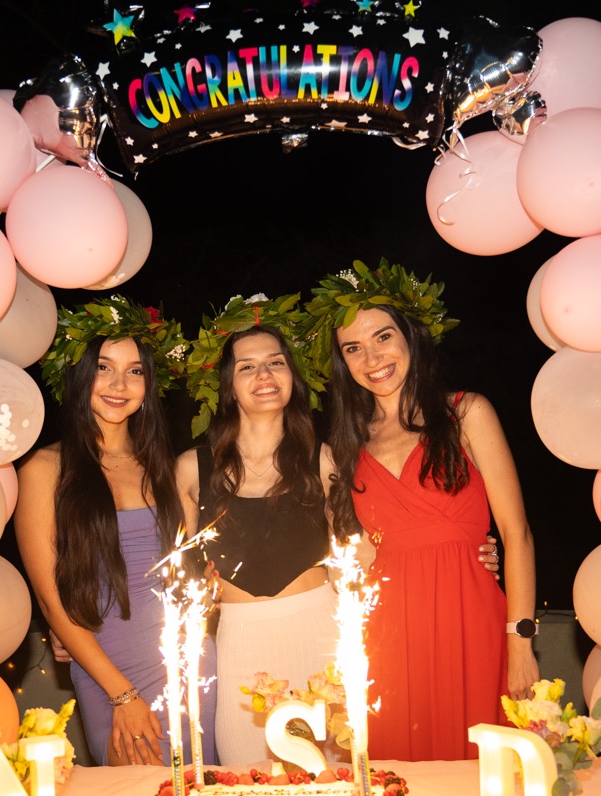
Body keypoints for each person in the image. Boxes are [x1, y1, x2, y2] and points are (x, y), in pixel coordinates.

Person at [313, 259, 540, 761]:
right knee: (398, 772)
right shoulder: (345, 448)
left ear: (411, 338)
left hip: (471, 617)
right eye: (353, 348)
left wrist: (520, 641)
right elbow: (352, 559)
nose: (371, 357)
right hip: (388, 632)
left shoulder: (466, 414)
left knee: (479, 770)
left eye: (383, 337)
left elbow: (516, 533)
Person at [15, 297, 216, 767]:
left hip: (189, 663)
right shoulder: (46, 468)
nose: (119, 385)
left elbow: (184, 568)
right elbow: (52, 600)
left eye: (135, 371)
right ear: (80, 375)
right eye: (104, 367)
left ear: (150, 384)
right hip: (109, 671)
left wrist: (206, 588)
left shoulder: (163, 469)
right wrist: (122, 696)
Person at [176, 304, 341, 767]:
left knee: (329, 786)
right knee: (245, 784)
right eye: (246, 367)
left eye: (275, 362)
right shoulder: (191, 469)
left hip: (319, 632)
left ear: (292, 375)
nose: (263, 374)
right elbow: (178, 576)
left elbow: (358, 557)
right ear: (227, 385)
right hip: (240, 642)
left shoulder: (323, 459)